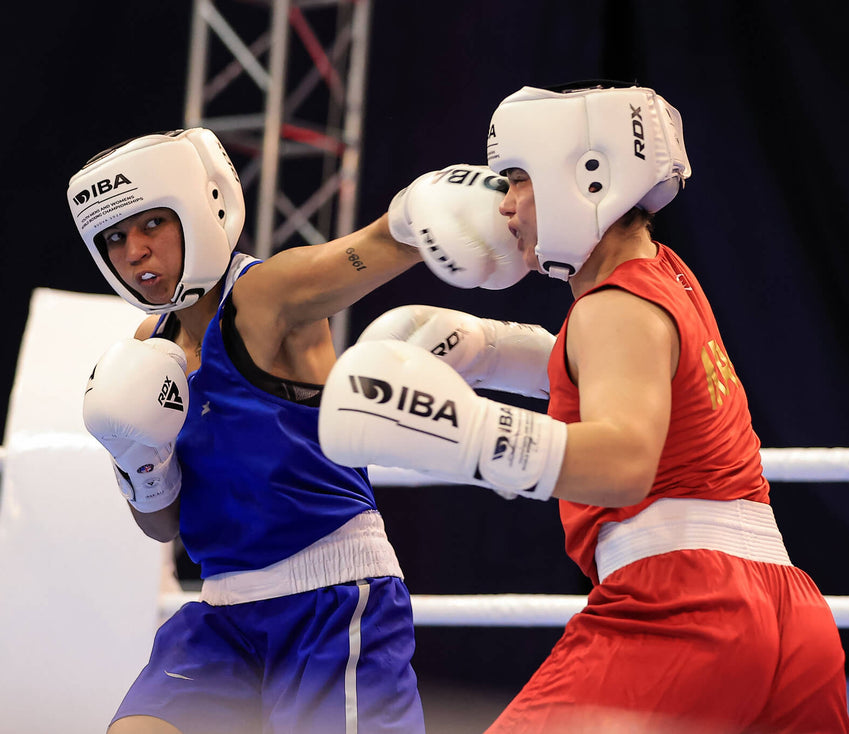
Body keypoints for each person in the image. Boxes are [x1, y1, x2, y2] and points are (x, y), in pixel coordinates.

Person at [319, 82, 849, 733]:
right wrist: (491, 351)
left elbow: (625, 461)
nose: (505, 206)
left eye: (517, 180)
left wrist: (465, 432)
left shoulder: (612, 306)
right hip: (789, 616)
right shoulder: (667, 278)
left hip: (684, 610)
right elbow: (624, 383)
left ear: (587, 175)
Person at [66, 128, 524, 734]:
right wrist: (139, 466)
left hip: (332, 599)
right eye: (115, 237)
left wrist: (425, 211)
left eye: (151, 224)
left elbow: (375, 245)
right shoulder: (147, 350)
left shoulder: (264, 296)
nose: (134, 252)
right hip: (222, 615)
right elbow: (162, 527)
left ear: (201, 209)